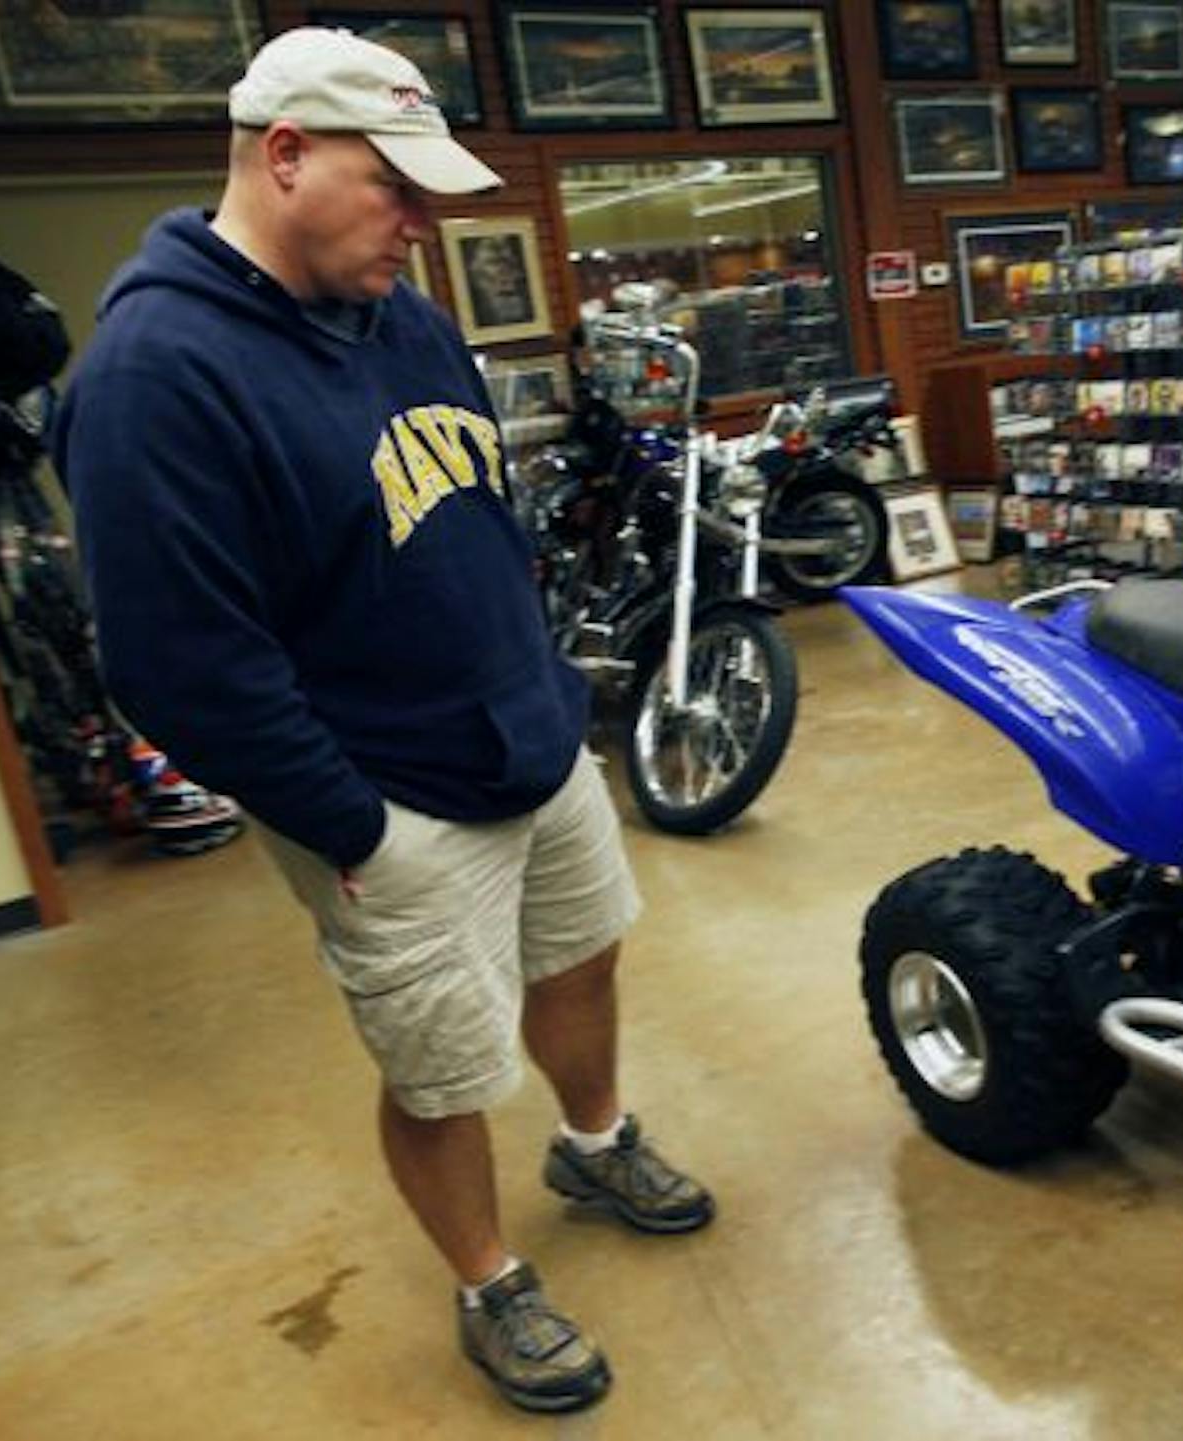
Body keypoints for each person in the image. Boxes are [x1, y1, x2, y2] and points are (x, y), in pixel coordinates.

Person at [50, 28, 710, 1415]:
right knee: (442, 1062)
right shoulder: (153, 374)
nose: (422, 221)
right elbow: (178, 667)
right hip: (392, 798)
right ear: (283, 154)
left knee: (581, 956)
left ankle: (593, 1139)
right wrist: (354, 827)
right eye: (391, 185)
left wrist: (544, 684)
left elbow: (470, 517)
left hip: (529, 738)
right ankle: (488, 1280)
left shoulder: (402, 313)